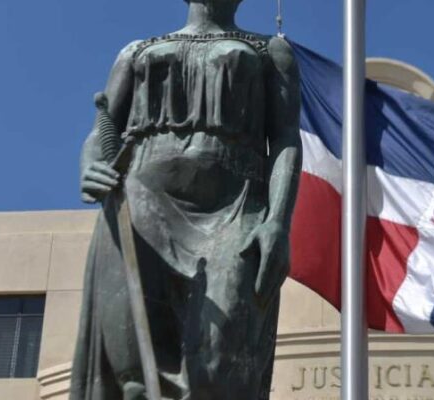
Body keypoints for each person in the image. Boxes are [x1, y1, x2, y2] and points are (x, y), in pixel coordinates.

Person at [69, 0, 302, 398]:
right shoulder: (136, 52)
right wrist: (91, 164)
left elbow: (285, 140)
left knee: (220, 364)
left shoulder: (269, 51)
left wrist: (277, 221)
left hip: (235, 206)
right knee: (134, 373)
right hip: (140, 202)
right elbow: (102, 130)